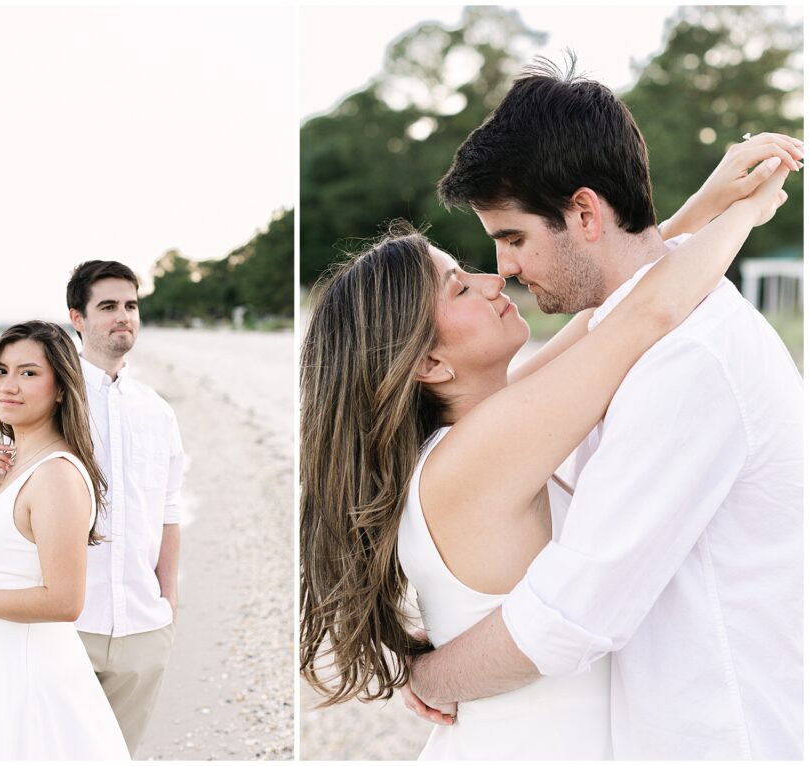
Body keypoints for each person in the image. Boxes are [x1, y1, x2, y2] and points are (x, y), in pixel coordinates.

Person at [299, 68, 801, 759]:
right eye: (461, 283)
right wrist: (742, 211)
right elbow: (637, 306)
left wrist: (697, 213)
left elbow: (622, 304)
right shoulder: (484, 446)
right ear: (431, 365)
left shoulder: (519, 409)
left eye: (508, 239)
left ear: (585, 215)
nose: (496, 272)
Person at [0, 320, 130, 759]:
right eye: (1, 371)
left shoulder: (55, 475)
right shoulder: (11, 463)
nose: (8, 386)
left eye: (28, 372)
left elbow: (64, 601)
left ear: (60, 389)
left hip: (27, 670)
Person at [66, 260, 185, 754]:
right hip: (68, 626)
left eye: (131, 305)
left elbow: (169, 511)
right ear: (77, 318)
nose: (123, 316)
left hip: (143, 626)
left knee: (118, 756)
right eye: (108, 306)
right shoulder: (49, 400)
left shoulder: (157, 411)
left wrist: (168, 605)